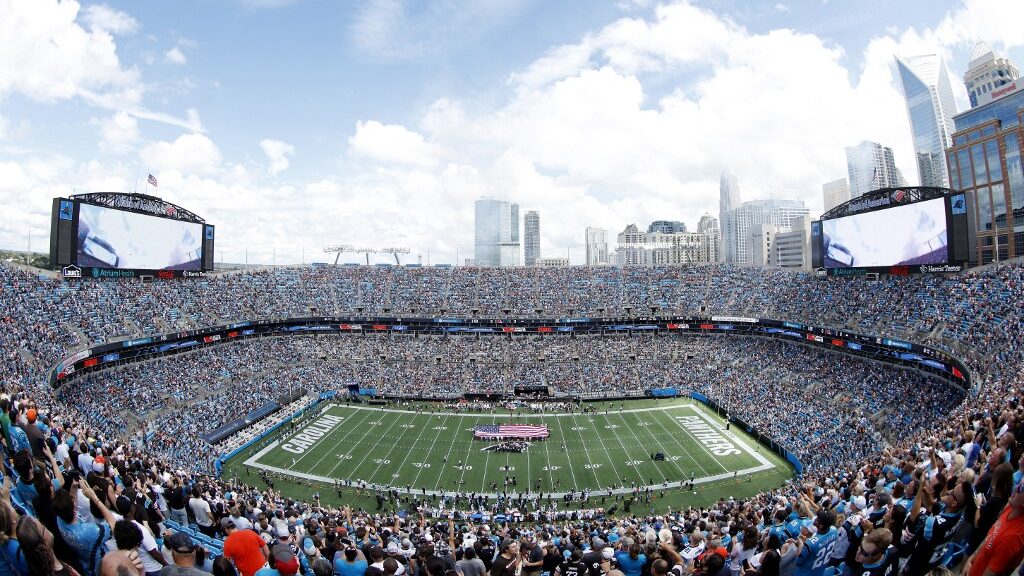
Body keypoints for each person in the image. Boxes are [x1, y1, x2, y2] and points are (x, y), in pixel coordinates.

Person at [55, 479, 116, 576]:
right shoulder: (90, 532)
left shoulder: (60, 519)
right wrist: (94, 498)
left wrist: (74, 487)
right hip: (101, 568)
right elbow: (113, 525)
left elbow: (69, 506)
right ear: (74, 505)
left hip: (86, 564)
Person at [964, 478, 1024, 576]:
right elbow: (990, 537)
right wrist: (971, 559)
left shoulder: (1013, 537)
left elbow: (992, 573)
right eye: (1019, 483)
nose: (1016, 488)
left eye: (1022, 488)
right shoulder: (1010, 508)